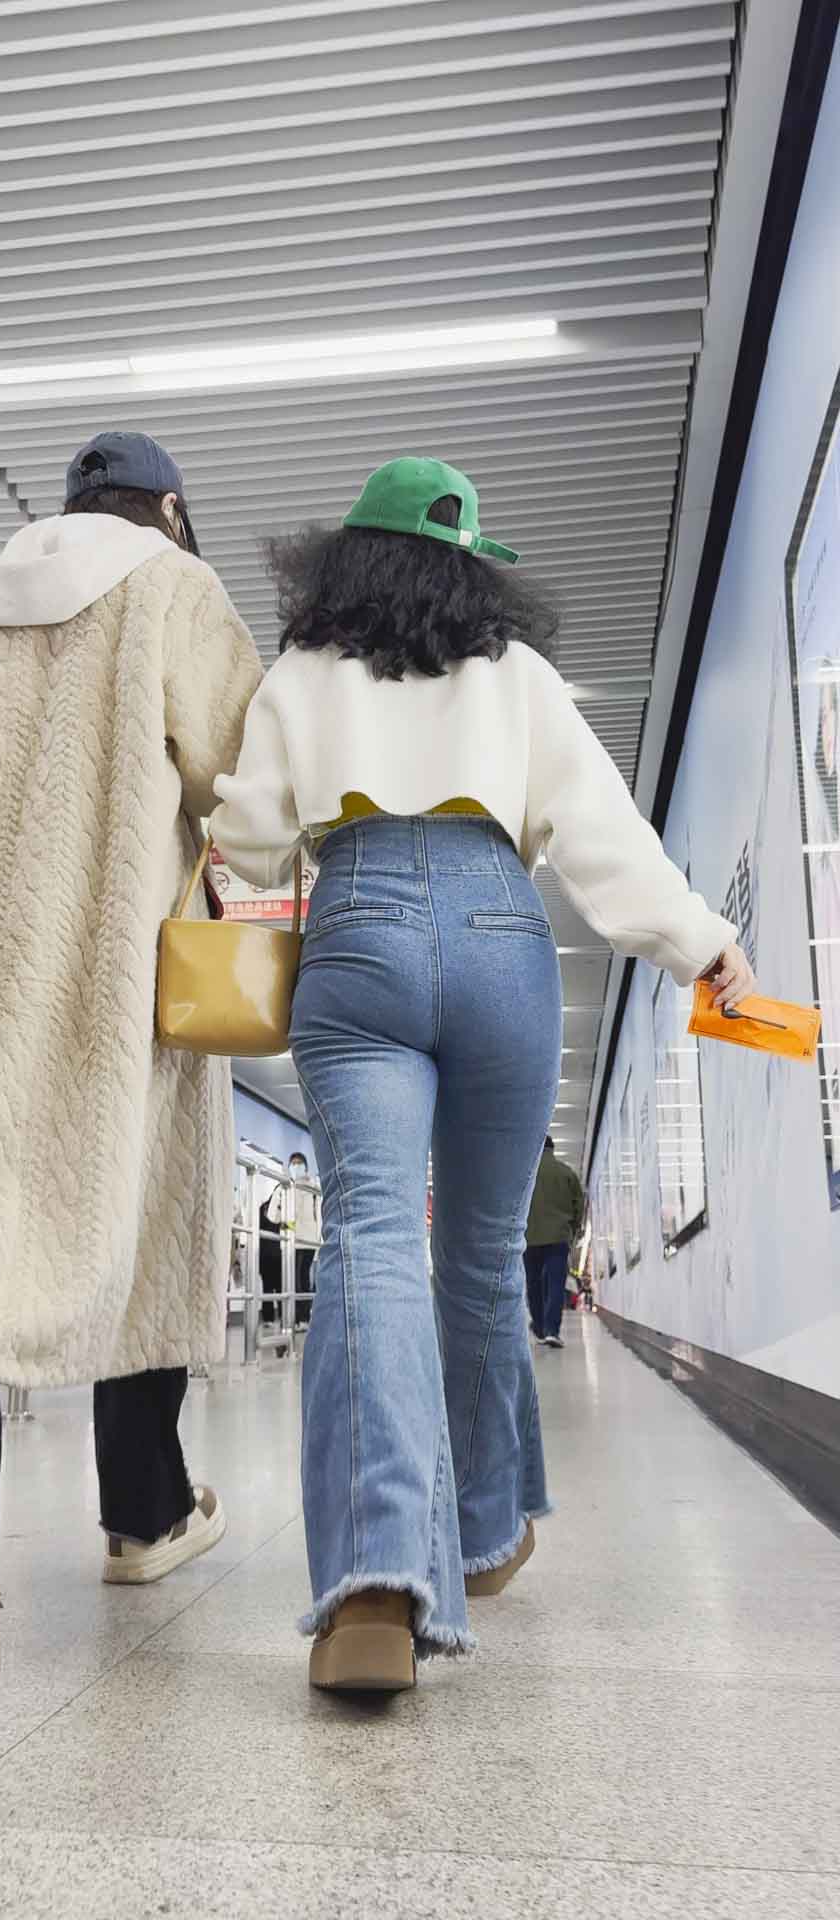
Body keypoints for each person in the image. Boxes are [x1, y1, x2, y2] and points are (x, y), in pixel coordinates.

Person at [210, 455, 754, 1692]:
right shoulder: (520, 678)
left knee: (371, 1237)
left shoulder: (302, 674)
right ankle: (489, 1527)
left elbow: (248, 837)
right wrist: (703, 946)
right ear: (471, 575)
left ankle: (374, 1589)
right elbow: (603, 838)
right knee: (482, 1252)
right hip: (502, 929)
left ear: (344, 563)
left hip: (358, 930)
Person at [0, 431, 262, 1665]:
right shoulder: (175, 586)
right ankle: (146, 1511)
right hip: (102, 963)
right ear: (168, 507)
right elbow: (244, 771)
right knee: (135, 1202)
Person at [525, 1138, 584, 1349]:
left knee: (533, 1284)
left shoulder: (526, 1173)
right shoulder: (566, 1173)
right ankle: (552, 1330)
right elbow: (579, 1205)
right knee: (555, 1284)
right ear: (552, 1149)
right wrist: (572, 1229)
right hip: (558, 1238)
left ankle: (539, 1328)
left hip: (530, 1237)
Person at [267, 1151, 321, 1327]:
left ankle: (302, 1318)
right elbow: (272, 1216)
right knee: (291, 1280)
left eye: (299, 1163)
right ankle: (294, 1318)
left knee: (302, 1278)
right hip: (289, 1240)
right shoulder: (284, 1187)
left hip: (308, 1240)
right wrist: (278, 1198)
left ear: (305, 1167)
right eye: (293, 1164)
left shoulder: (313, 1188)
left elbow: (319, 1216)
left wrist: (319, 1243)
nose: (296, 1166)